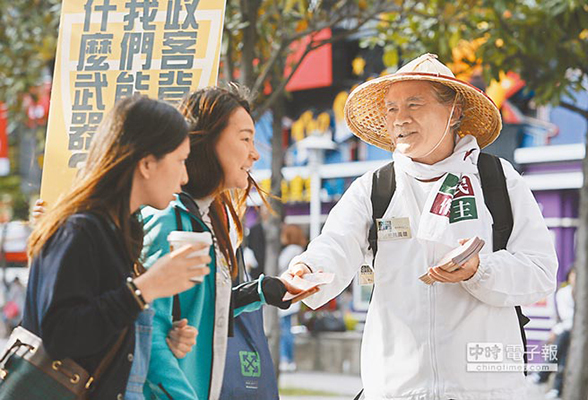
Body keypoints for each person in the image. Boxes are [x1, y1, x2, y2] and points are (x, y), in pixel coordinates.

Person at [284, 53, 558, 399]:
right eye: (392, 109)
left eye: (414, 104)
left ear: (454, 111)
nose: (401, 119)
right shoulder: (375, 187)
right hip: (397, 389)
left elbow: (541, 270)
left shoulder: (497, 180)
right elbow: (335, 244)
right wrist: (307, 268)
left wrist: (479, 269)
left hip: (486, 390)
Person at [21, 95, 211, 399]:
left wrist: (157, 339)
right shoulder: (80, 229)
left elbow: (101, 329)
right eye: (180, 161)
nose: (185, 177)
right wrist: (143, 290)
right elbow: (61, 335)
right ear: (147, 163)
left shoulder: (119, 231)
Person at [142, 86, 309, 399]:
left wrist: (263, 291)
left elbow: (200, 309)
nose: (255, 152)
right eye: (245, 138)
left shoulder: (208, 219)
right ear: (206, 142)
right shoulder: (167, 218)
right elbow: (147, 333)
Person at [278, 224, 308, 372]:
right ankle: (289, 359)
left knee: (284, 329)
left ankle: (286, 359)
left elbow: (278, 265)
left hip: (285, 293)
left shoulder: (290, 251)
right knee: (287, 327)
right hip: (293, 293)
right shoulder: (299, 251)